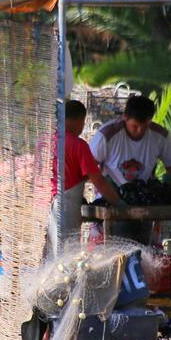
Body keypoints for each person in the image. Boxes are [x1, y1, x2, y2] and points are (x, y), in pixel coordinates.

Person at [49, 100, 122, 248]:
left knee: (48, 254)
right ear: (79, 120)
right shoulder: (78, 145)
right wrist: (119, 203)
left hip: (43, 205)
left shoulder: (45, 141)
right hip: (65, 206)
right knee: (66, 253)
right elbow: (98, 181)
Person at [88, 94, 171, 186]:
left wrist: (169, 182)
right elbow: (87, 168)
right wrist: (104, 184)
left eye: (145, 126)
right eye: (135, 126)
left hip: (145, 194)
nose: (140, 130)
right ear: (125, 117)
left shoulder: (161, 136)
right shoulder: (106, 135)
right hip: (109, 195)